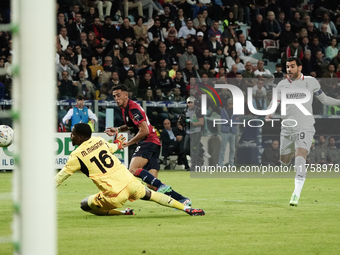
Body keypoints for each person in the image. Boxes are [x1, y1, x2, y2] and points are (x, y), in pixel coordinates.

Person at [54, 123, 204, 216]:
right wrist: (118, 144)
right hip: (130, 183)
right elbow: (110, 148)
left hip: (115, 194)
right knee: (151, 194)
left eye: (72, 134)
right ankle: (186, 209)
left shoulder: (76, 156)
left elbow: (59, 178)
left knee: (85, 205)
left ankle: (121, 212)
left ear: (80, 137)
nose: (70, 136)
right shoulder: (98, 141)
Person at [265, 57, 340, 206]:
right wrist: (270, 111)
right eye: (287, 67)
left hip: (305, 126)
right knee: (285, 162)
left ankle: (296, 194)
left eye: (292, 66)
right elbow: (276, 101)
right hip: (287, 129)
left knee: (300, 158)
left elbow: (324, 99)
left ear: (299, 68)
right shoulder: (282, 85)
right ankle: (294, 151)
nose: (289, 69)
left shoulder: (311, 82)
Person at [105, 85, 192, 205]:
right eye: (114, 96)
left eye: (118, 95)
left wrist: (129, 142)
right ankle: (182, 200)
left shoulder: (132, 109)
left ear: (126, 95)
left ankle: (162, 186)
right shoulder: (126, 108)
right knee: (152, 184)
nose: (116, 98)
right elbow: (132, 125)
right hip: (154, 142)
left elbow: (144, 130)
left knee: (133, 169)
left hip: (148, 141)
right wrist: (118, 129)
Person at [181, 96, 205, 171]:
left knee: (194, 148)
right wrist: (181, 123)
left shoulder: (198, 110)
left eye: (191, 102)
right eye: (188, 102)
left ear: (194, 103)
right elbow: (181, 120)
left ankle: (194, 166)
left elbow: (201, 122)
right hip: (188, 131)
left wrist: (192, 123)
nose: (190, 104)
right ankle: (199, 158)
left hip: (197, 131)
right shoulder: (185, 110)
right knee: (185, 148)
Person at [218, 98, 238, 167]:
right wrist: (232, 121)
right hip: (225, 132)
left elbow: (237, 121)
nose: (230, 105)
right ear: (227, 104)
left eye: (232, 104)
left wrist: (229, 121)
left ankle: (231, 163)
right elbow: (224, 121)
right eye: (229, 103)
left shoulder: (236, 111)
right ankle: (220, 163)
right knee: (223, 148)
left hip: (233, 132)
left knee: (232, 149)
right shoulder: (223, 111)